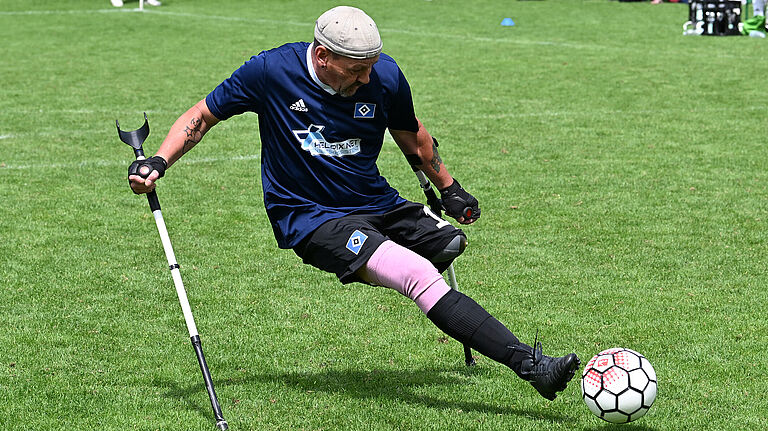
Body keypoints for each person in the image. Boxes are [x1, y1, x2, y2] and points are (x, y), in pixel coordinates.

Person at [127, 6, 580, 401]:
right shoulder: (270, 71)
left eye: (370, 67)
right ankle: (532, 366)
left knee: (449, 245)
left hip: (376, 201)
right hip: (309, 217)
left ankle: (381, 255)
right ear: (322, 56)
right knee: (418, 274)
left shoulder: (383, 76)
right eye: (355, 70)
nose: (366, 78)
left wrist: (449, 186)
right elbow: (202, 115)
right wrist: (159, 162)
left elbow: (411, 132)